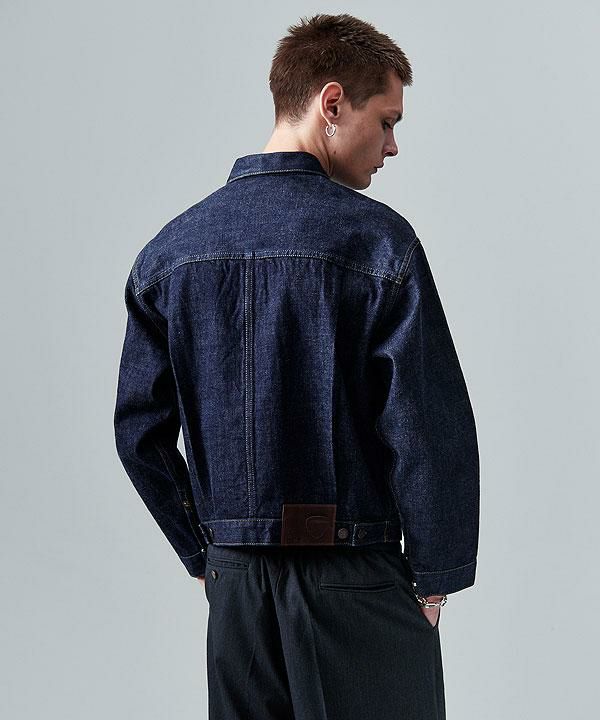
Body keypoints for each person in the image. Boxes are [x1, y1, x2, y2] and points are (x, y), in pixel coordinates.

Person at [114, 12, 479, 720]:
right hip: (357, 576)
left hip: (237, 586)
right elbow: (426, 425)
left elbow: (139, 432)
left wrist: (205, 553)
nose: (393, 146)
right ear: (332, 102)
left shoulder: (169, 254)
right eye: (387, 120)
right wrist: (435, 574)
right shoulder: (379, 244)